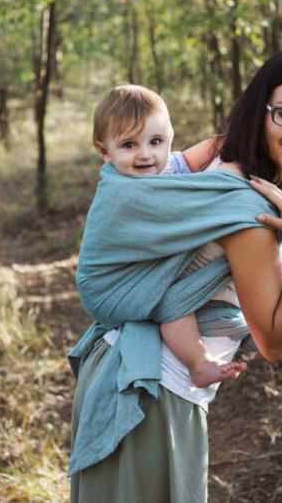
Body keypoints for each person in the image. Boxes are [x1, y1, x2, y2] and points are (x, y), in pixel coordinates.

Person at [69, 48, 282, 503]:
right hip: (152, 398)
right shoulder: (250, 209)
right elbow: (276, 345)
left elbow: (229, 292)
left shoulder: (219, 170)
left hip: (123, 376)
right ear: (260, 110)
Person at [89, 84, 247, 388]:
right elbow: (192, 208)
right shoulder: (123, 191)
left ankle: (276, 304)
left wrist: (237, 141)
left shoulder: (166, 168)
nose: (145, 154)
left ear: (169, 139)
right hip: (118, 285)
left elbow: (203, 151)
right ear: (104, 150)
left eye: (156, 141)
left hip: (153, 269)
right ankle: (198, 363)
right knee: (173, 307)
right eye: (129, 145)